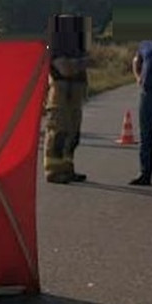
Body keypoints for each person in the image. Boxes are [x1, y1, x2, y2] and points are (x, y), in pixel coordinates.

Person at [43, 15, 89, 184]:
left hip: (75, 90)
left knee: (73, 133)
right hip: (60, 91)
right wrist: (79, 64)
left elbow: (83, 63)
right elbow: (64, 69)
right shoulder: (54, 47)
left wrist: (76, 64)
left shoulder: (78, 48)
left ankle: (67, 168)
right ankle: (53, 170)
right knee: (58, 132)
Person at [130, 38, 152, 186]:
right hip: (148, 95)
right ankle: (145, 174)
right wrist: (138, 77)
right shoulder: (145, 43)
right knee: (145, 137)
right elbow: (136, 60)